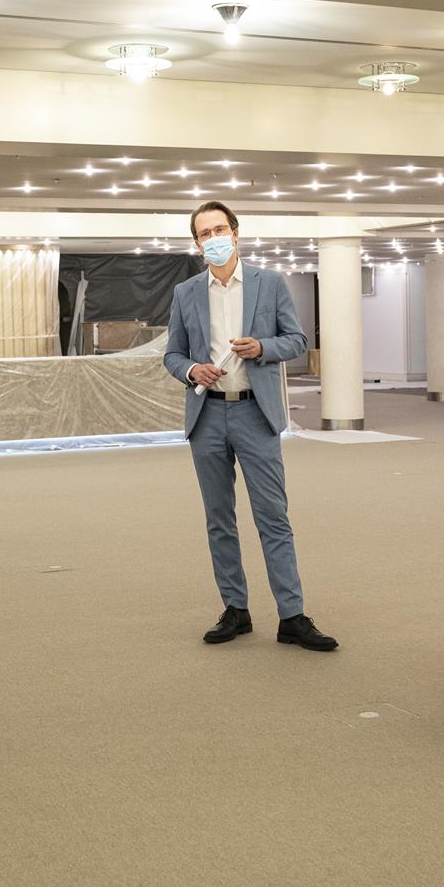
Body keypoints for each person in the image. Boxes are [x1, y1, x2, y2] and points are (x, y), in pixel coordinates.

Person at [164, 201, 338, 651]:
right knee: (219, 519)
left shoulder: (269, 283)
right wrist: (191, 370)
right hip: (206, 417)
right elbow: (172, 354)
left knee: (273, 516)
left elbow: (296, 340)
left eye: (219, 229)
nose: (214, 239)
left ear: (236, 233)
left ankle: (292, 616)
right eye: (205, 233)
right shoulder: (186, 292)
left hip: (254, 414)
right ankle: (235, 609)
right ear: (197, 243)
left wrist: (262, 347)